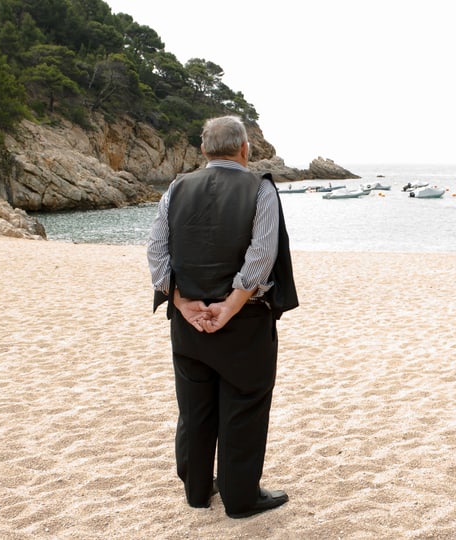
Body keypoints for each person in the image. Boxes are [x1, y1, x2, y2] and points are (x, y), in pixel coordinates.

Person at [146, 115, 298, 519]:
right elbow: (262, 256)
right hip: (243, 322)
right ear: (245, 148)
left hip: (189, 321)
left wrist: (178, 301)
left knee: (194, 408)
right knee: (245, 404)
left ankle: (197, 491)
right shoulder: (260, 188)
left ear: (203, 151)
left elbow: (157, 250)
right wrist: (229, 306)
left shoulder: (177, 188)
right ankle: (240, 497)